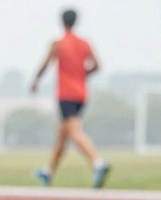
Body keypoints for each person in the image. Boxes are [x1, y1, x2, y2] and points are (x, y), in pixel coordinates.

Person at [30, 8, 110, 189]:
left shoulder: (58, 44)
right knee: (62, 134)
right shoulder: (85, 43)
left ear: (62, 22)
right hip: (81, 94)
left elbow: (45, 63)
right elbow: (97, 66)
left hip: (66, 94)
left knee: (73, 131)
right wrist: (82, 75)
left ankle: (98, 163)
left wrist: (35, 80)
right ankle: (48, 173)